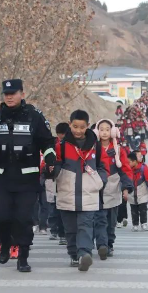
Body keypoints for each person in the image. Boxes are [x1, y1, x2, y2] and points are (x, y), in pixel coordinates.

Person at [0, 79, 56, 273]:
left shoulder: (35, 116)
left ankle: (23, 257)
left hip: (27, 179)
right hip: (2, 178)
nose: (9, 96)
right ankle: (5, 243)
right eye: (6, 93)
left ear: (22, 94)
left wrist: (50, 157)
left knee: (23, 219)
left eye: (13, 93)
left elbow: (48, 143)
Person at [53, 110, 107, 271]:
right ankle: (73, 254)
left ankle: (84, 254)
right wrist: (54, 171)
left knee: (85, 225)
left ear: (87, 126)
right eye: (75, 126)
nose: (78, 130)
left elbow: (103, 166)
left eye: (82, 127)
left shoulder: (95, 145)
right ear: (70, 125)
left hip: (88, 193)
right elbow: (52, 165)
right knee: (70, 229)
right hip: (66, 193)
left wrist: (100, 180)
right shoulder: (61, 146)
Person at [94, 119, 133, 258]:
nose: (104, 132)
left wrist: (126, 188)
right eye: (101, 129)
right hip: (97, 189)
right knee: (100, 219)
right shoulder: (93, 148)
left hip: (114, 189)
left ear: (113, 131)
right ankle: (102, 245)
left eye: (107, 129)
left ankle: (109, 244)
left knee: (111, 221)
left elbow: (126, 170)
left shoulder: (118, 150)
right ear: (97, 131)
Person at [46, 122, 68, 244]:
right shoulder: (52, 144)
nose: (61, 138)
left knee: (63, 209)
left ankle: (63, 233)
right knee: (53, 207)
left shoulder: (71, 144)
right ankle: (56, 231)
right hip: (54, 179)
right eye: (59, 136)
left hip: (67, 179)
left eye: (63, 136)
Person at [127, 152, 148, 232]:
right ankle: (135, 224)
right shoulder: (127, 169)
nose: (127, 163)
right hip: (132, 193)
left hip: (142, 192)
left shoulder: (143, 168)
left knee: (143, 209)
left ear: (135, 161)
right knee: (133, 210)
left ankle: (144, 223)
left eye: (129, 162)